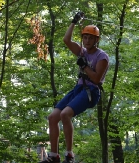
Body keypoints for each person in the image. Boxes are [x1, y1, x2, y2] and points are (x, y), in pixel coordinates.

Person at [39, 12, 109, 163]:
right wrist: (74, 21)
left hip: (91, 91)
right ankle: (53, 156)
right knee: (52, 118)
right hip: (78, 89)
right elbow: (66, 39)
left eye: (91, 38)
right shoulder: (81, 51)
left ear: (96, 40)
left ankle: (69, 155)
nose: (87, 40)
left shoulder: (101, 56)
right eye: (85, 37)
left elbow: (97, 79)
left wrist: (84, 66)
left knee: (65, 114)